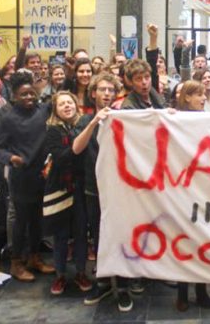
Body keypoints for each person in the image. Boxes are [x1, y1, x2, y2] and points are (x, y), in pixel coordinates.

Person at [73, 73, 133, 311]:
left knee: (122, 235)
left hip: (120, 188)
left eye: (111, 90)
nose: (106, 93)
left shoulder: (124, 118)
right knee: (99, 237)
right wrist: (93, 122)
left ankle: (125, 285)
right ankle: (105, 281)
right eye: (102, 89)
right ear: (94, 92)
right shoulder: (85, 119)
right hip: (93, 187)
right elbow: (77, 148)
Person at [0, 71, 55, 282]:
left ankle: (34, 258)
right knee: (21, 222)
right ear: (14, 96)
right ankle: (16, 263)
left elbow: (64, 92)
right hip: (21, 178)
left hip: (41, 176)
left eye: (31, 93)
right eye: (24, 94)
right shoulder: (9, 118)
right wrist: (12, 158)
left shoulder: (43, 110)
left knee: (38, 220)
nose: (29, 97)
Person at [43, 91, 92, 295]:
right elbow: (62, 157)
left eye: (69, 102)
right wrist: (77, 147)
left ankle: (81, 272)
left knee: (81, 232)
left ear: (76, 104)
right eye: (61, 104)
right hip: (60, 187)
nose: (66, 106)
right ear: (56, 109)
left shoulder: (84, 125)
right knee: (61, 234)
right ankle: (60, 275)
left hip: (80, 186)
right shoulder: (52, 130)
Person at [173, 80, 210, 311]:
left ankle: (201, 290)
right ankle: (182, 292)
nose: (203, 98)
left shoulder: (208, 118)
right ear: (187, 97)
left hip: (204, 187)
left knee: (202, 240)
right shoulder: (175, 117)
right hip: (182, 189)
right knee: (184, 241)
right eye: (199, 94)